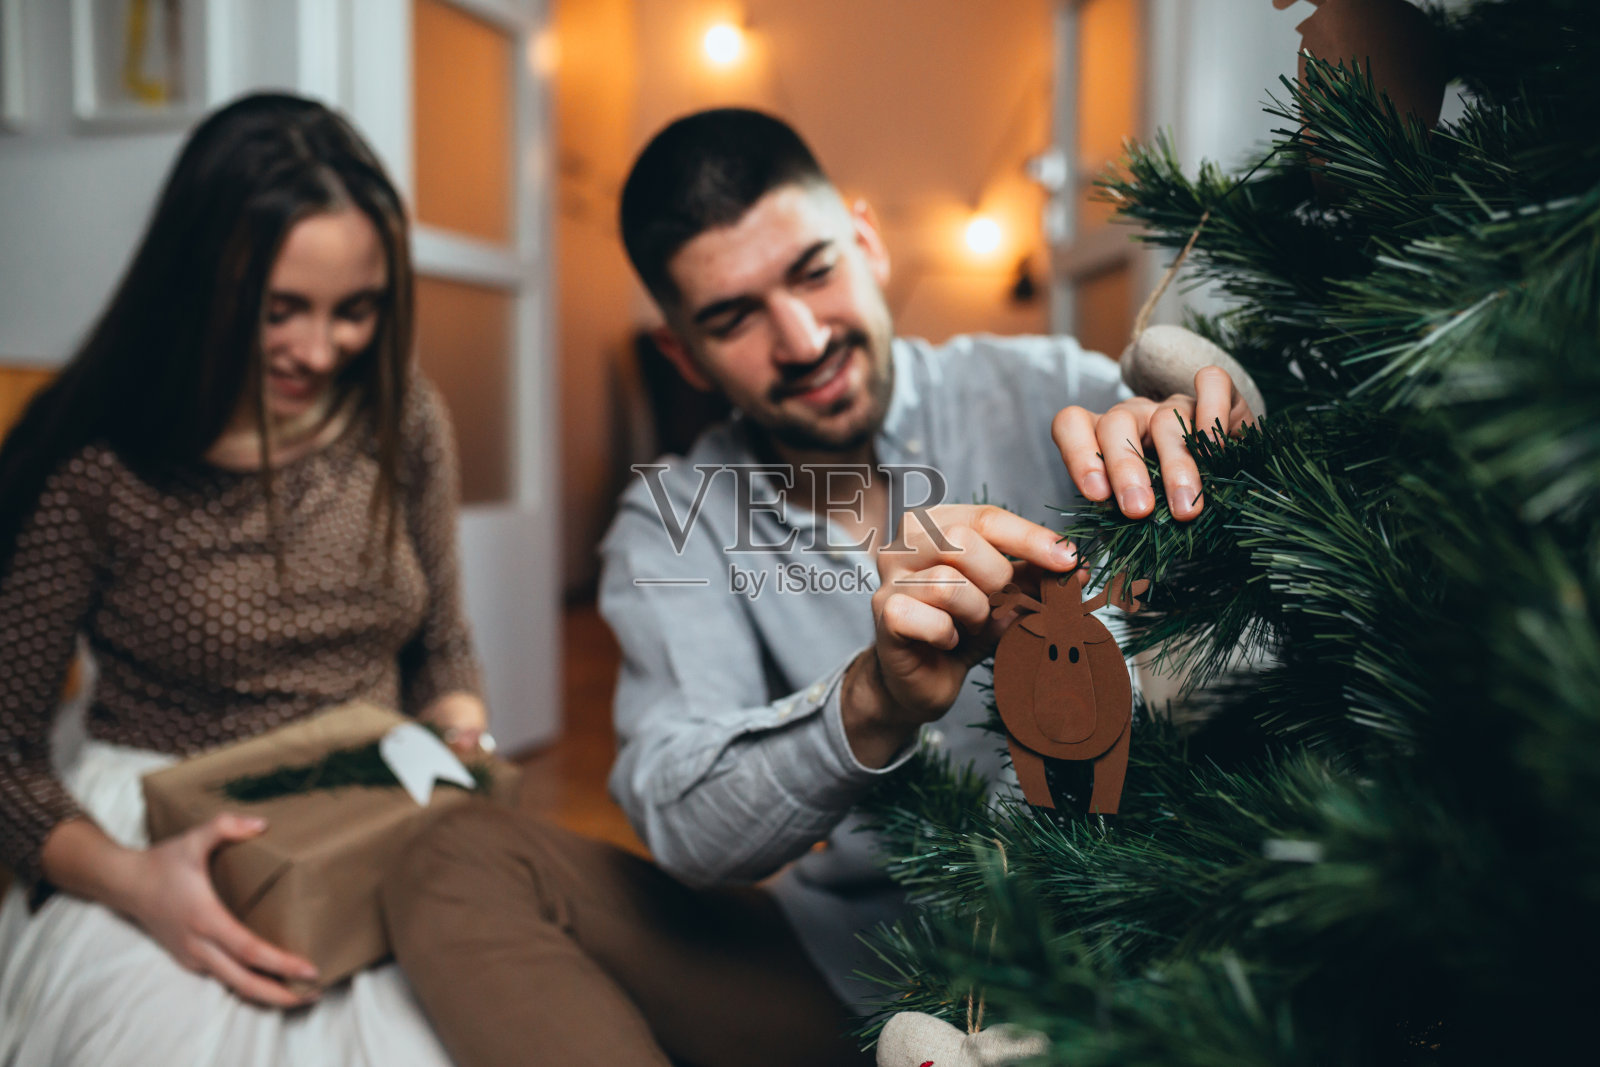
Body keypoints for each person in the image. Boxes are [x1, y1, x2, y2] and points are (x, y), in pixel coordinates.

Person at [382, 108, 1254, 1063]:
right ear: (683, 353)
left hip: (1135, 944)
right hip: (855, 975)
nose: (799, 340)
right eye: (731, 316)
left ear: (868, 241)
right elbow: (681, 817)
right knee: (455, 858)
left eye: (812, 271)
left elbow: (1280, 645)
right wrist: (869, 699)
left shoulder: (1051, 388)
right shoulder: (672, 519)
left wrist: (1220, 487)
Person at [0, 93, 488, 1065]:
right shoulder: (91, 458)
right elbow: (3, 753)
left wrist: (457, 737)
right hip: (157, 825)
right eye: (278, 311)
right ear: (197, 286)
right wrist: (138, 882)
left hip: (374, 799)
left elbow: (440, 645)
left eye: (356, 310)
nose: (319, 350)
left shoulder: (406, 416)